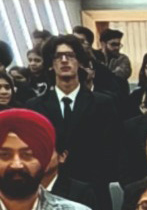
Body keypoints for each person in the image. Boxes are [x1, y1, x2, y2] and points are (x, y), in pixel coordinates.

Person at [29, 34, 120, 187]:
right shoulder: (35, 106)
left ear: (79, 62)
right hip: (49, 185)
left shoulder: (102, 103)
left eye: (70, 56)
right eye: (58, 56)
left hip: (93, 186)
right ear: (50, 64)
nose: (64, 60)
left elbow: (112, 148)